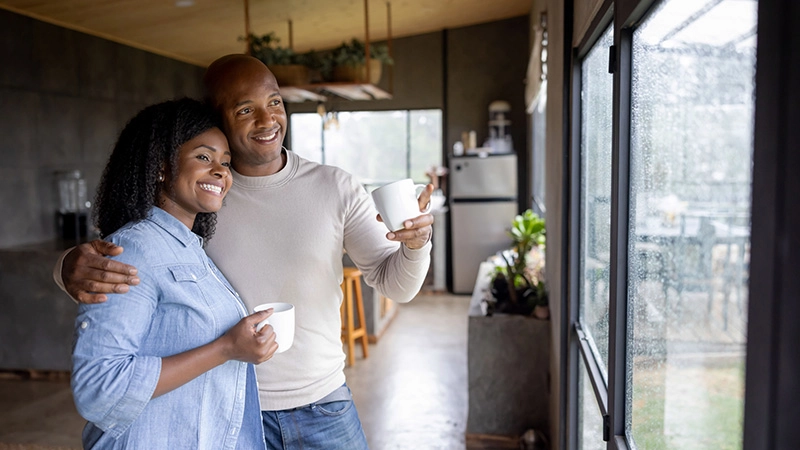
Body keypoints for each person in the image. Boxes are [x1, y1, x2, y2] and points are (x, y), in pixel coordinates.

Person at [57, 54, 434, 449]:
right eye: (245, 109)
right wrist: (67, 265)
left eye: (274, 102)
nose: (268, 120)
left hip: (322, 405)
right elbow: (134, 258)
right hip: (228, 410)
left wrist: (415, 244)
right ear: (218, 120)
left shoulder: (330, 187)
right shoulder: (201, 198)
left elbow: (398, 286)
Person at [69, 98, 277, 449]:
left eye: (225, 162)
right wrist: (226, 348)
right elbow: (99, 387)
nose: (221, 171)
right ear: (162, 166)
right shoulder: (134, 250)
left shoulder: (189, 248)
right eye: (204, 157)